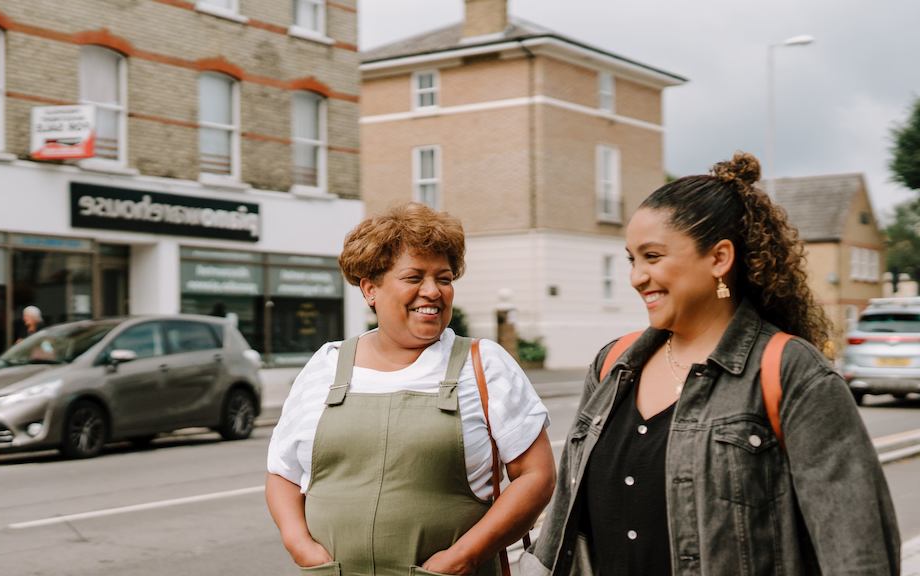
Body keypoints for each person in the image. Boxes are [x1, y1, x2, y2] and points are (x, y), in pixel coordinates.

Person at [521, 153, 900, 575]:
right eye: (632, 259)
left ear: (719, 258)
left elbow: (857, 552)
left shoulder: (790, 371)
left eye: (652, 256)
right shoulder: (613, 364)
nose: (636, 277)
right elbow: (563, 519)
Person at [266, 202, 557, 575]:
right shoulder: (326, 366)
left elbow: (536, 476)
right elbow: (282, 473)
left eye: (444, 279)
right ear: (370, 289)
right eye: (414, 277)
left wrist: (463, 557)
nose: (433, 291)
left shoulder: (483, 364)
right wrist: (300, 547)